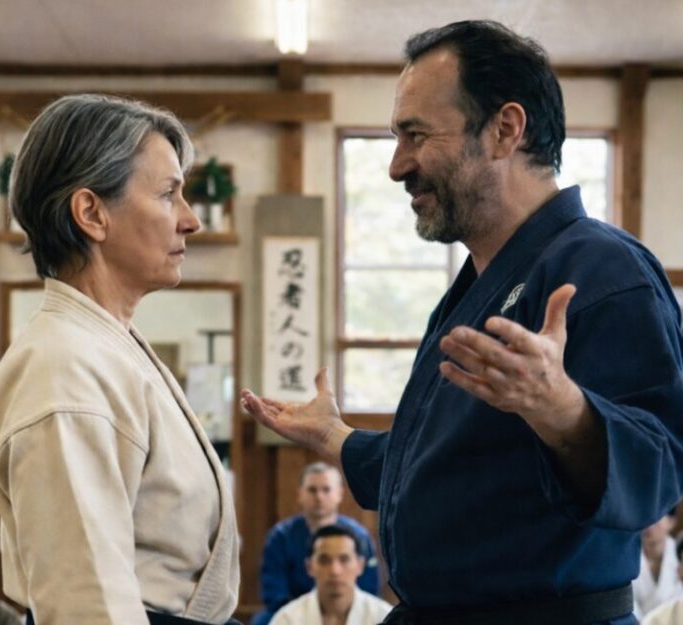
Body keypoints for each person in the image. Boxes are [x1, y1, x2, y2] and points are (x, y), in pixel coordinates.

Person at [241, 19, 683, 625]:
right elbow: (455, 468)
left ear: (504, 129)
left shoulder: (602, 269)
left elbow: (660, 470)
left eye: (416, 135)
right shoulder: (477, 284)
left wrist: (565, 411)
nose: (398, 166)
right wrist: (335, 439)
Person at [0, 94, 239, 625]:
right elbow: (86, 602)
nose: (190, 220)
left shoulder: (104, 346)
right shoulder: (62, 368)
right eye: (168, 194)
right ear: (92, 213)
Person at [252, 463, 380, 625]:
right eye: (312, 490)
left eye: (326, 489)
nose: (319, 497)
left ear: (340, 493)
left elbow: (369, 587)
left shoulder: (360, 537)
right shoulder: (280, 537)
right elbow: (274, 590)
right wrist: (303, 614)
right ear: (300, 494)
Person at [270, 525, 391, 625]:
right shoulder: (287, 619)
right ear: (309, 567)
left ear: (360, 565)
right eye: (324, 560)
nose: (335, 571)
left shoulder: (384, 616)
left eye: (344, 559)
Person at [634, 510, 683, 618]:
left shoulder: (680, 555)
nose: (649, 527)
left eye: (656, 521)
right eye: (645, 521)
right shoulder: (629, 557)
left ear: (671, 522)